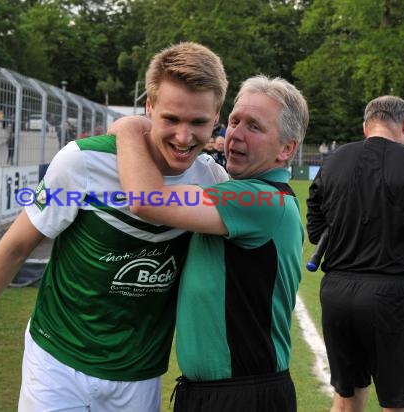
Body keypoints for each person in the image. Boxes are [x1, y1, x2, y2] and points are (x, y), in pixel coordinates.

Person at [0, 42, 229, 411]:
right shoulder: (83, 162)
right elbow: (15, 248)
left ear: (216, 117)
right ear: (149, 108)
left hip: (140, 374)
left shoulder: (213, 182)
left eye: (198, 122)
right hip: (57, 362)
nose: (184, 137)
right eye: (171, 119)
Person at [110, 74, 308, 411]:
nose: (235, 135)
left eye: (254, 127)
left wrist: (130, 129)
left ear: (286, 149)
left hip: (241, 396)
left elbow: (146, 199)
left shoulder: (258, 200)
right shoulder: (258, 197)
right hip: (219, 393)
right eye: (234, 120)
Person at [307, 95, 404, 411]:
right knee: (400, 404)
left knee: (346, 400)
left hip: (336, 293)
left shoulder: (333, 162)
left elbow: (315, 229)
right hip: (390, 297)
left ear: (367, 126)